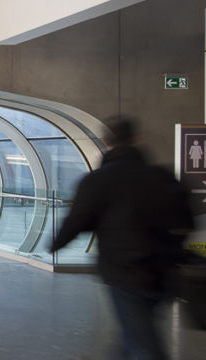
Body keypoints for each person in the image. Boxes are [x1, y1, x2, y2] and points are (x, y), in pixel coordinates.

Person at [50, 116, 193, 360]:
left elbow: (78, 219)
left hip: (125, 271)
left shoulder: (98, 180)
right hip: (164, 269)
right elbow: (185, 220)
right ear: (136, 139)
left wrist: (56, 243)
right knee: (136, 331)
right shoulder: (162, 176)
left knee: (142, 341)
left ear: (106, 142)